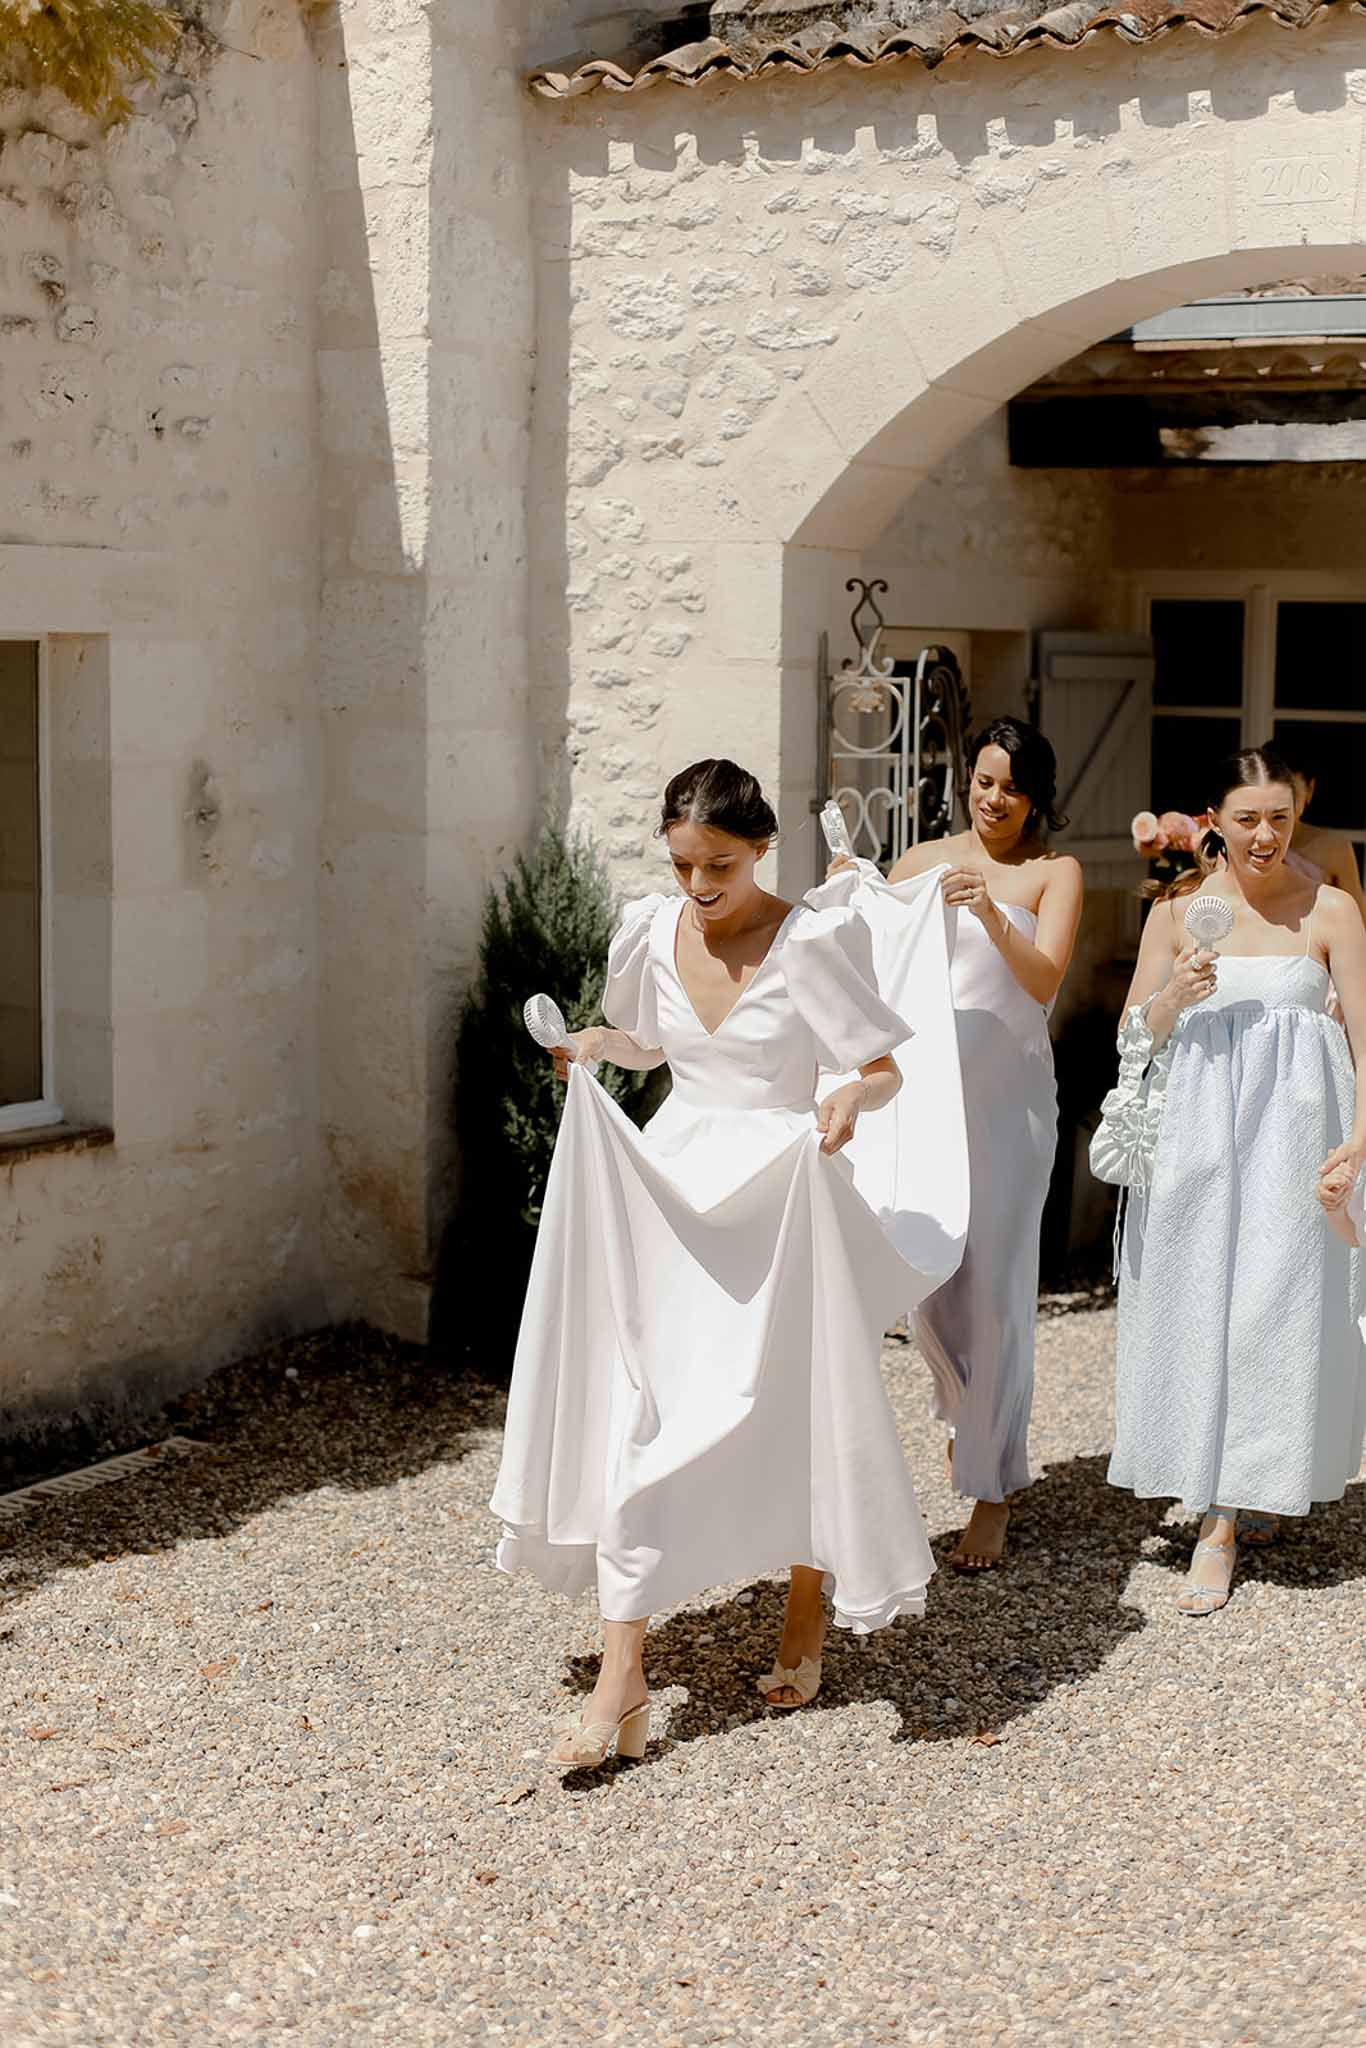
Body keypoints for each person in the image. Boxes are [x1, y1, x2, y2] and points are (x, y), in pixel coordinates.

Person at [490, 759, 969, 1768]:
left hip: (783, 1192)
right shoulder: (651, 930)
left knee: (790, 1403)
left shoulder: (811, 938)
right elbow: (651, 1042)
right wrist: (592, 1044)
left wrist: (847, 1098)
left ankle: (806, 1603)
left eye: (718, 863)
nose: (699, 884)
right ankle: (623, 1677)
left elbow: (881, 1066)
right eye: (682, 864)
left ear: (757, 848)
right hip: (674, 1189)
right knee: (642, 1410)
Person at [1107, 745, 1366, 1612]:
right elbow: (1133, 1038)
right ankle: (1219, 1484)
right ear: (1213, 821)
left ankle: (1227, 1512)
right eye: (1247, 818)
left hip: (1296, 1137)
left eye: (1280, 818)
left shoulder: (1329, 911)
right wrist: (1175, 995)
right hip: (1196, 1139)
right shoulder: (1179, 914)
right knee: (1197, 1305)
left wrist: (1360, 1140)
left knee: (1274, 1307)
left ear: (1297, 819)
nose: (1265, 835)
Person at [827, 717, 1082, 1570]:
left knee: (998, 1287)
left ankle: (992, 1486)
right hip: (925, 1101)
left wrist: (993, 914)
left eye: (1010, 785)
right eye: (982, 780)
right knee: (930, 1276)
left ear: (1035, 796)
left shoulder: (1054, 873)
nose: (993, 798)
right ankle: (970, 1417)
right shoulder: (920, 860)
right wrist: (845, 890)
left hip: (1011, 1107)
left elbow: (1044, 981)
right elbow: (854, 952)